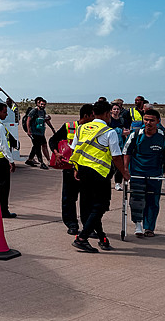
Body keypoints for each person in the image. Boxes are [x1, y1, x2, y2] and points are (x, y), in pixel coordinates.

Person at [70, 100, 130, 252]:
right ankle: (82, 238)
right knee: (100, 206)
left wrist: (76, 168)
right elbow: (116, 157)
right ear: (105, 114)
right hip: (99, 173)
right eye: (110, 113)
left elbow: (75, 149)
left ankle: (102, 238)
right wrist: (124, 173)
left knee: (91, 207)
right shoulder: (109, 132)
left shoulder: (81, 128)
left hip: (83, 171)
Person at [49, 104, 93, 234]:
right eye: (92, 115)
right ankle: (72, 224)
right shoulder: (69, 127)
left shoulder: (93, 128)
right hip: (70, 168)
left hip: (86, 168)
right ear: (86, 116)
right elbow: (53, 140)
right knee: (69, 198)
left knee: (87, 199)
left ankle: (88, 226)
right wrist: (56, 153)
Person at [123, 108, 165, 237]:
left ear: (158, 121)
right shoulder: (136, 134)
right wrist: (125, 170)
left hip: (155, 175)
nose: (148, 123)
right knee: (137, 200)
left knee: (153, 201)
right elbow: (126, 152)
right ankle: (138, 225)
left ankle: (149, 228)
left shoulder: (163, 137)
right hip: (137, 173)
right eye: (146, 119)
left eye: (152, 120)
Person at [25, 96, 56, 169]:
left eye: (44, 104)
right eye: (41, 104)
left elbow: (46, 120)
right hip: (34, 132)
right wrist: (29, 130)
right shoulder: (34, 111)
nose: (42, 106)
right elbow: (28, 120)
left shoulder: (43, 112)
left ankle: (31, 160)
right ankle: (42, 162)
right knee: (37, 147)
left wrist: (52, 129)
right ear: (38, 104)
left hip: (41, 133)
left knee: (43, 145)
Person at [109, 103, 125, 190]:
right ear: (111, 110)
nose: (116, 111)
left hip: (120, 144)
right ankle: (108, 179)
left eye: (117, 109)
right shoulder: (109, 120)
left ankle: (118, 183)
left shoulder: (122, 120)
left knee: (120, 164)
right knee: (111, 165)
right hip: (110, 145)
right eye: (114, 109)